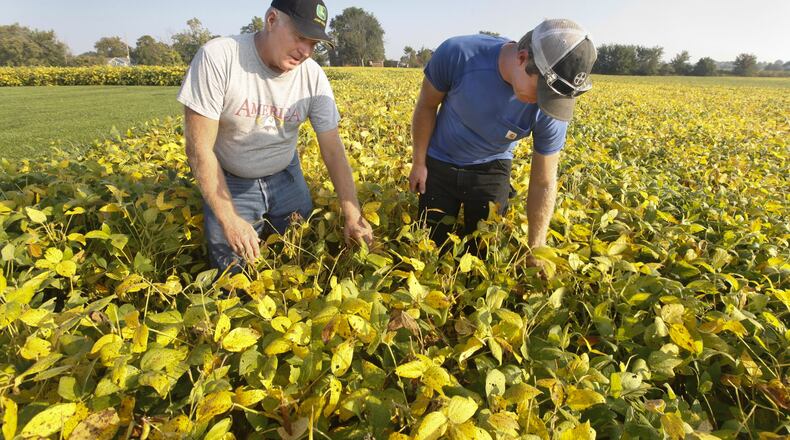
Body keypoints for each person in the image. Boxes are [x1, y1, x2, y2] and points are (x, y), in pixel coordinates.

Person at [178, 0, 374, 273]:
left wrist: (353, 214)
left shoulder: (313, 76)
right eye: (300, 37)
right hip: (230, 181)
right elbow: (199, 149)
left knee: (298, 259)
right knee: (233, 275)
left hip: (286, 177)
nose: (305, 51)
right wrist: (229, 218)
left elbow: (333, 150)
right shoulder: (219, 58)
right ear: (271, 19)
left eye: (314, 43)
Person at [408, 19, 597, 264]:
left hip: (492, 167)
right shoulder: (459, 54)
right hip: (440, 159)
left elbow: (544, 181)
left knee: (483, 252)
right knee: (431, 247)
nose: (544, 104)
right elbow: (426, 105)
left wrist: (535, 248)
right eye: (541, 93)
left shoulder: (551, 109)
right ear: (521, 58)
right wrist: (419, 162)